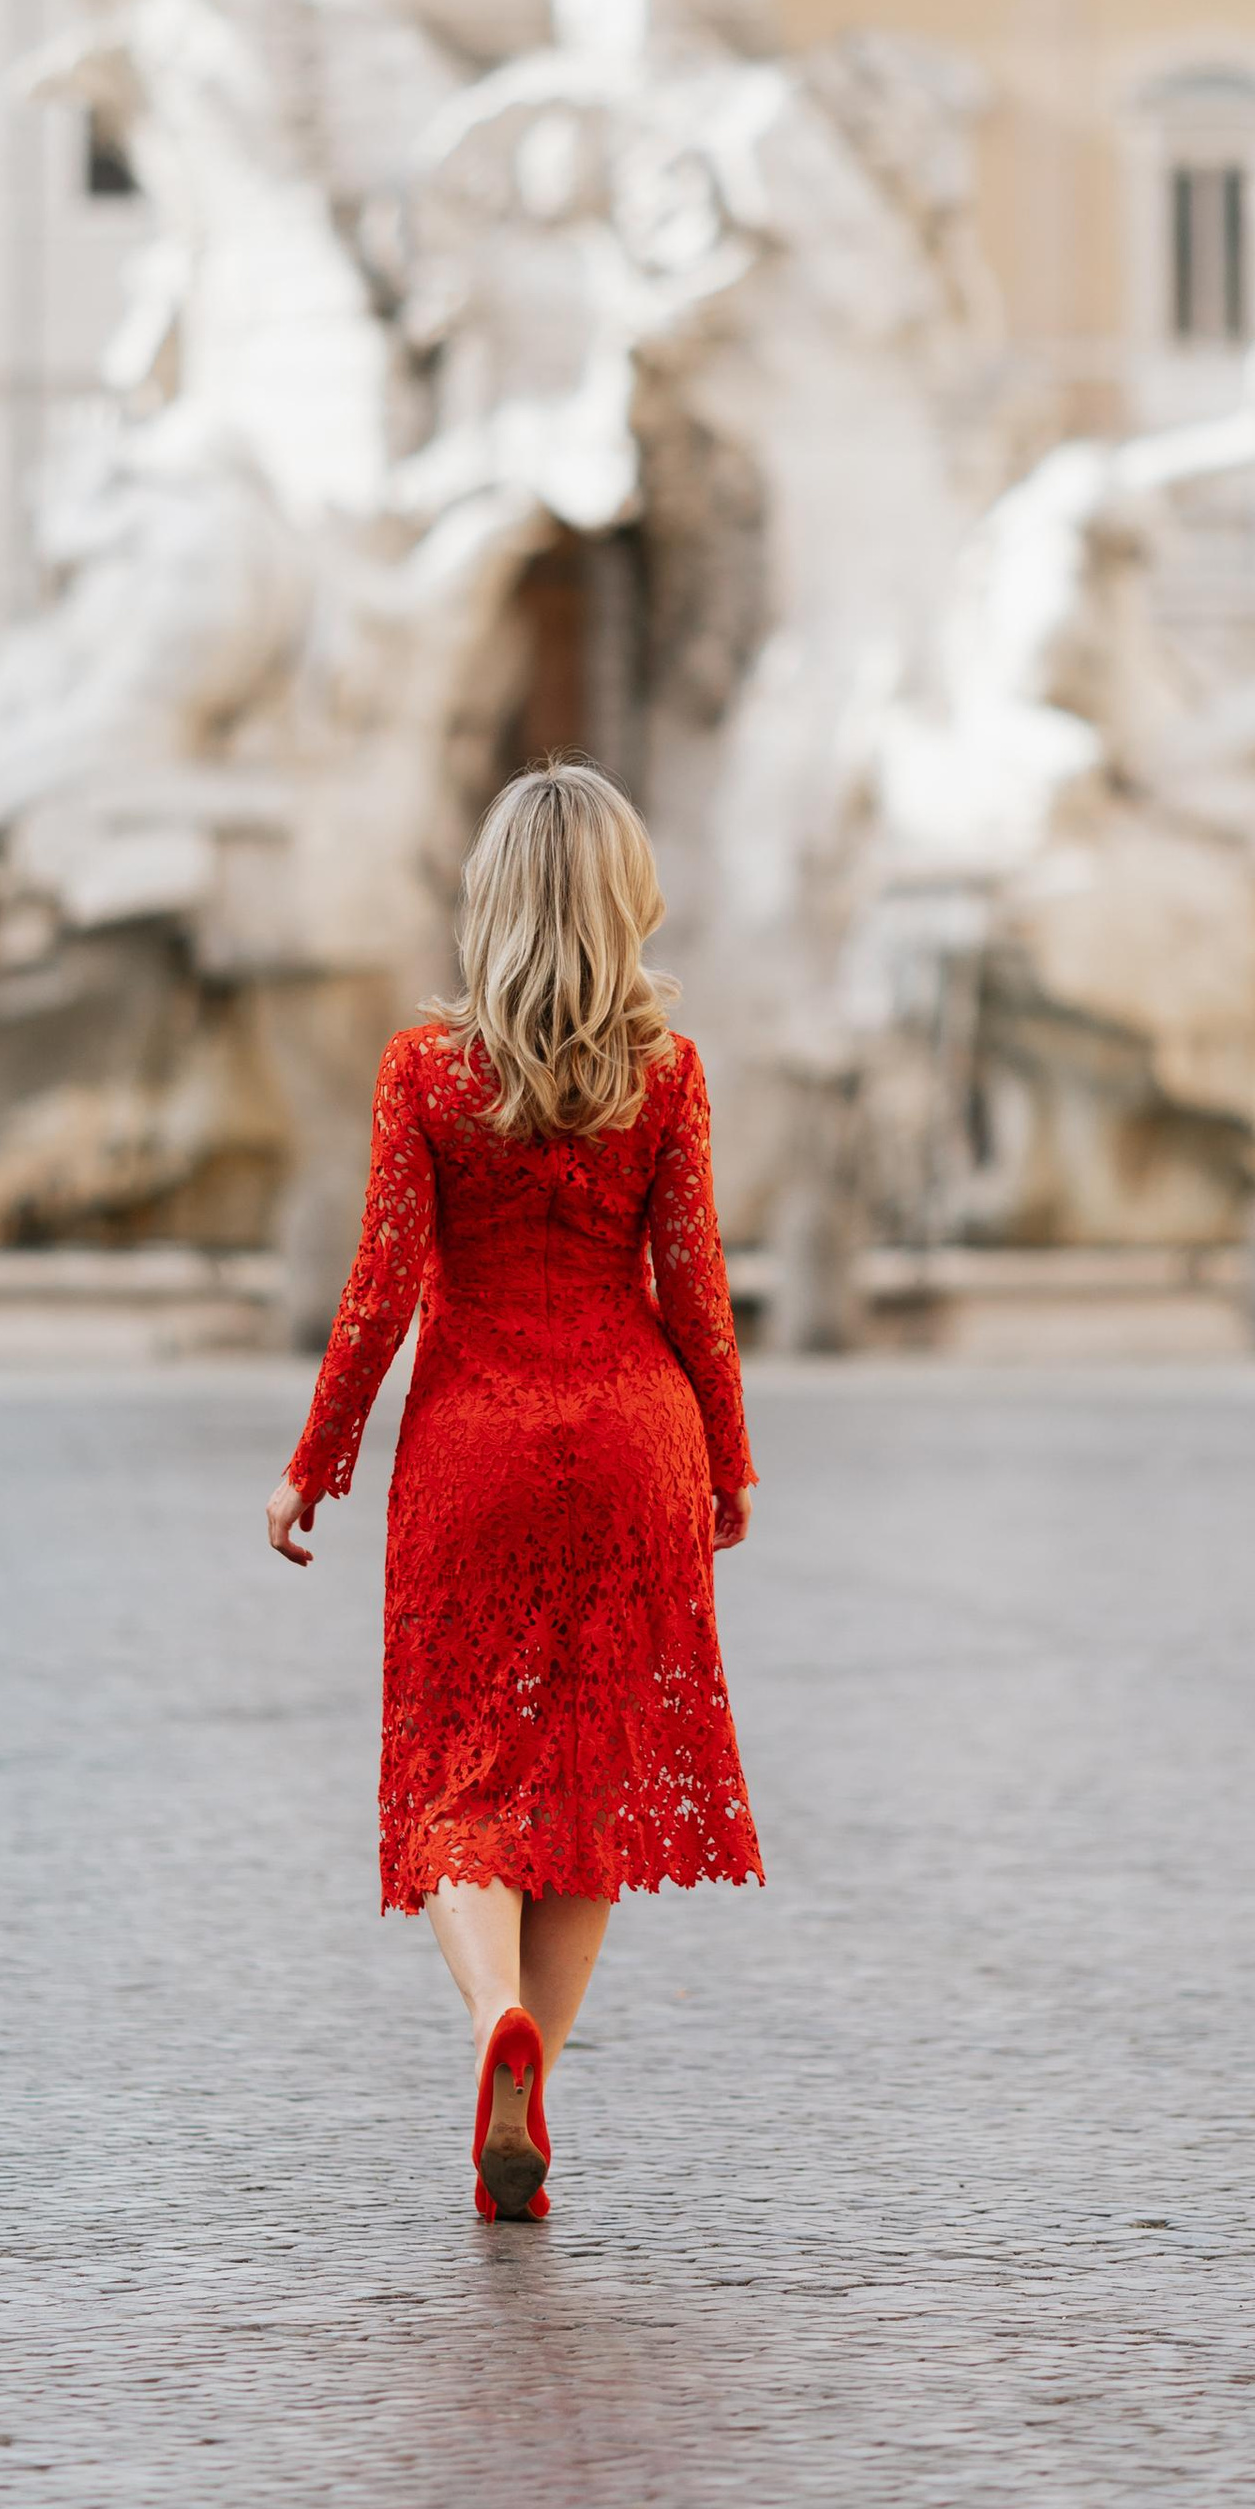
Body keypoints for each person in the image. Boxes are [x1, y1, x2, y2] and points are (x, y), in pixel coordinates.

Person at [266, 759, 762, 2225]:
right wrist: (726, 1465)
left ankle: (498, 2022)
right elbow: (700, 1290)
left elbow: (376, 1298)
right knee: (592, 1783)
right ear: (627, 902)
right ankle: (535, 2081)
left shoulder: (425, 1073)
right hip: (633, 1445)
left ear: (489, 900)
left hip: (474, 1451)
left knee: (461, 1776)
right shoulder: (666, 1075)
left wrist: (315, 1466)